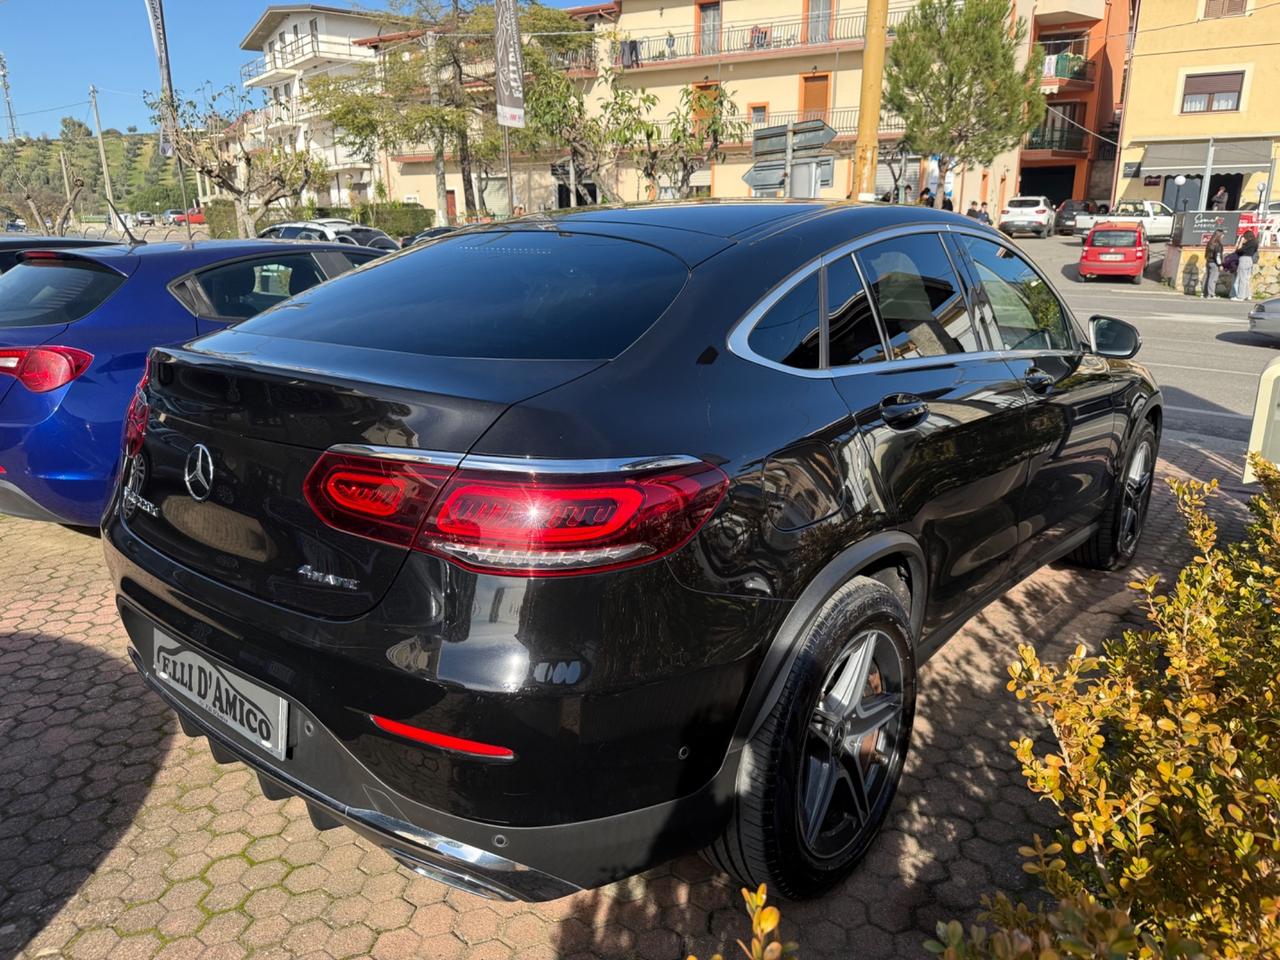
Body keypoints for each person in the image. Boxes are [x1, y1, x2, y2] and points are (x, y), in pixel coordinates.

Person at [1233, 229, 1259, 301]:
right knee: (1246, 279)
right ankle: (1248, 295)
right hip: (1250, 260)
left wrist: (1241, 242)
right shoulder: (1255, 243)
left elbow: (1238, 251)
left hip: (1244, 260)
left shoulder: (1248, 243)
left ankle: (1241, 296)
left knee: (1242, 279)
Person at [1203, 229, 1224, 299]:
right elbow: (1217, 256)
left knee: (1208, 278)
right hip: (1214, 263)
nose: (1223, 236)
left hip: (1208, 261)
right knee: (1213, 279)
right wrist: (1220, 265)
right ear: (1219, 236)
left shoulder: (1210, 243)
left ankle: (1205, 293)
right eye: (1222, 235)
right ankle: (1211, 294)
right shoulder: (1218, 245)